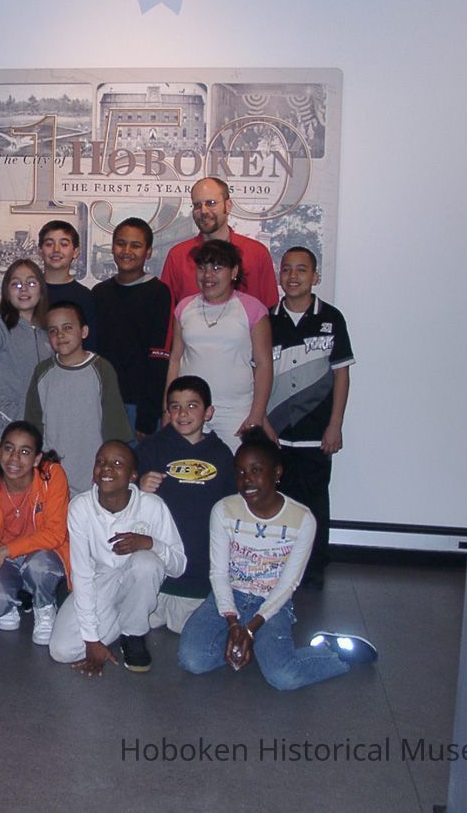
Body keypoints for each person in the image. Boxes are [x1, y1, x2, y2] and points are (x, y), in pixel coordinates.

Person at [177, 428, 376, 689]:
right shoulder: (224, 510)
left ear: (277, 473)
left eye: (256, 470)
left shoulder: (301, 519)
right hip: (228, 597)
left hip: (272, 603)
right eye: (239, 472)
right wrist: (234, 622)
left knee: (284, 677)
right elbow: (218, 574)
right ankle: (253, 647)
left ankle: (332, 651)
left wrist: (252, 627)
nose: (246, 480)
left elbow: (288, 584)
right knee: (192, 659)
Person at [49, 441, 186, 674]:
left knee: (146, 562)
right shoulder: (80, 507)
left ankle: (133, 634)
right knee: (61, 650)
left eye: (117, 463)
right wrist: (92, 640)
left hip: (139, 576)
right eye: (100, 462)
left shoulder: (152, 506)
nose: (107, 468)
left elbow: (179, 566)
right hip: (100, 580)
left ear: (133, 475)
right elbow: (81, 574)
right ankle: (124, 616)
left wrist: (150, 543)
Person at [267, 246, 355, 589]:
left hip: (315, 433)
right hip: (275, 432)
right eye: (286, 269)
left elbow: (342, 376)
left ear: (315, 277)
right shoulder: (267, 320)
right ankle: (277, 564)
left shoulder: (331, 318)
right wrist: (264, 423)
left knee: (314, 500)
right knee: (275, 500)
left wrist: (335, 426)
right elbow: (255, 375)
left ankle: (314, 566)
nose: (293, 276)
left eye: (301, 270)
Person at [136, 375, 235, 632]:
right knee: (133, 622)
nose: (183, 413)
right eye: (175, 406)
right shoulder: (149, 449)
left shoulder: (222, 455)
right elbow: (123, 504)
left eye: (192, 405)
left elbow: (232, 513)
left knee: (195, 634)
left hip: (201, 577)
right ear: (167, 411)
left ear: (208, 412)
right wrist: (138, 487)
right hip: (158, 576)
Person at [0, 421, 70, 644]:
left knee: (39, 565)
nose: (15, 459)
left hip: (43, 555)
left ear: (37, 459)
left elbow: (55, 534)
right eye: (9, 449)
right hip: (6, 561)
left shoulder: (52, 476)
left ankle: (44, 606)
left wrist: (3, 550)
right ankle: (10, 603)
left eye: (25, 452)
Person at [165, 239, 275, 452]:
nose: (208, 275)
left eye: (217, 268)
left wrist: (257, 414)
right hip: (188, 411)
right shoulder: (184, 308)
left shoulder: (253, 309)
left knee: (235, 479)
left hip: (236, 413)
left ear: (234, 271)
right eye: (203, 268)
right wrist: (168, 410)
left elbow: (264, 364)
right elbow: (175, 359)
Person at [25, 301, 133, 496]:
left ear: (84, 331)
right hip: (51, 475)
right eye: (53, 330)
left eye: (67, 328)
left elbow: (115, 428)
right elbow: (33, 426)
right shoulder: (42, 372)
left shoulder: (102, 369)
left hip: (92, 475)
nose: (60, 335)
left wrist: (106, 468)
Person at [90, 216, 173, 439]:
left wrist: (148, 415)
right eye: (121, 243)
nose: (127, 250)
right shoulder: (99, 293)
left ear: (148, 252)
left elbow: (159, 358)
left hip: (139, 407)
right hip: (103, 401)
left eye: (136, 245)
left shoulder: (159, 293)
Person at [0, 258, 53, 452]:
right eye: (16, 284)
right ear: (6, 291)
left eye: (31, 283)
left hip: (43, 429)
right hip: (7, 426)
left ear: (41, 289)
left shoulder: (47, 329)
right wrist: (9, 411)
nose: (24, 289)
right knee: (3, 481)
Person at [159, 176, 279, 312]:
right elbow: (166, 312)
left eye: (211, 203)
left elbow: (268, 308)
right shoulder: (178, 256)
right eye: (197, 205)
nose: (203, 211)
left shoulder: (257, 253)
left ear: (228, 206)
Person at [38, 219, 98, 350]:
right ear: (40, 251)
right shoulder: (29, 293)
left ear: (75, 252)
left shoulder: (85, 297)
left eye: (64, 244)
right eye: (49, 244)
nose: (56, 249)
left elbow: (90, 346)